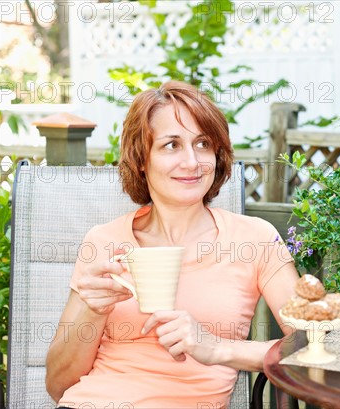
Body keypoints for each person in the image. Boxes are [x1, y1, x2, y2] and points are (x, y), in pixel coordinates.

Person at [45, 81, 299, 408]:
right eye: (171, 145)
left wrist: (219, 348)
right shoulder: (103, 243)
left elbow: (318, 346)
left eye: (203, 143)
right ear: (141, 159)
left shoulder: (254, 239)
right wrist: (92, 312)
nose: (192, 162)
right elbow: (58, 385)